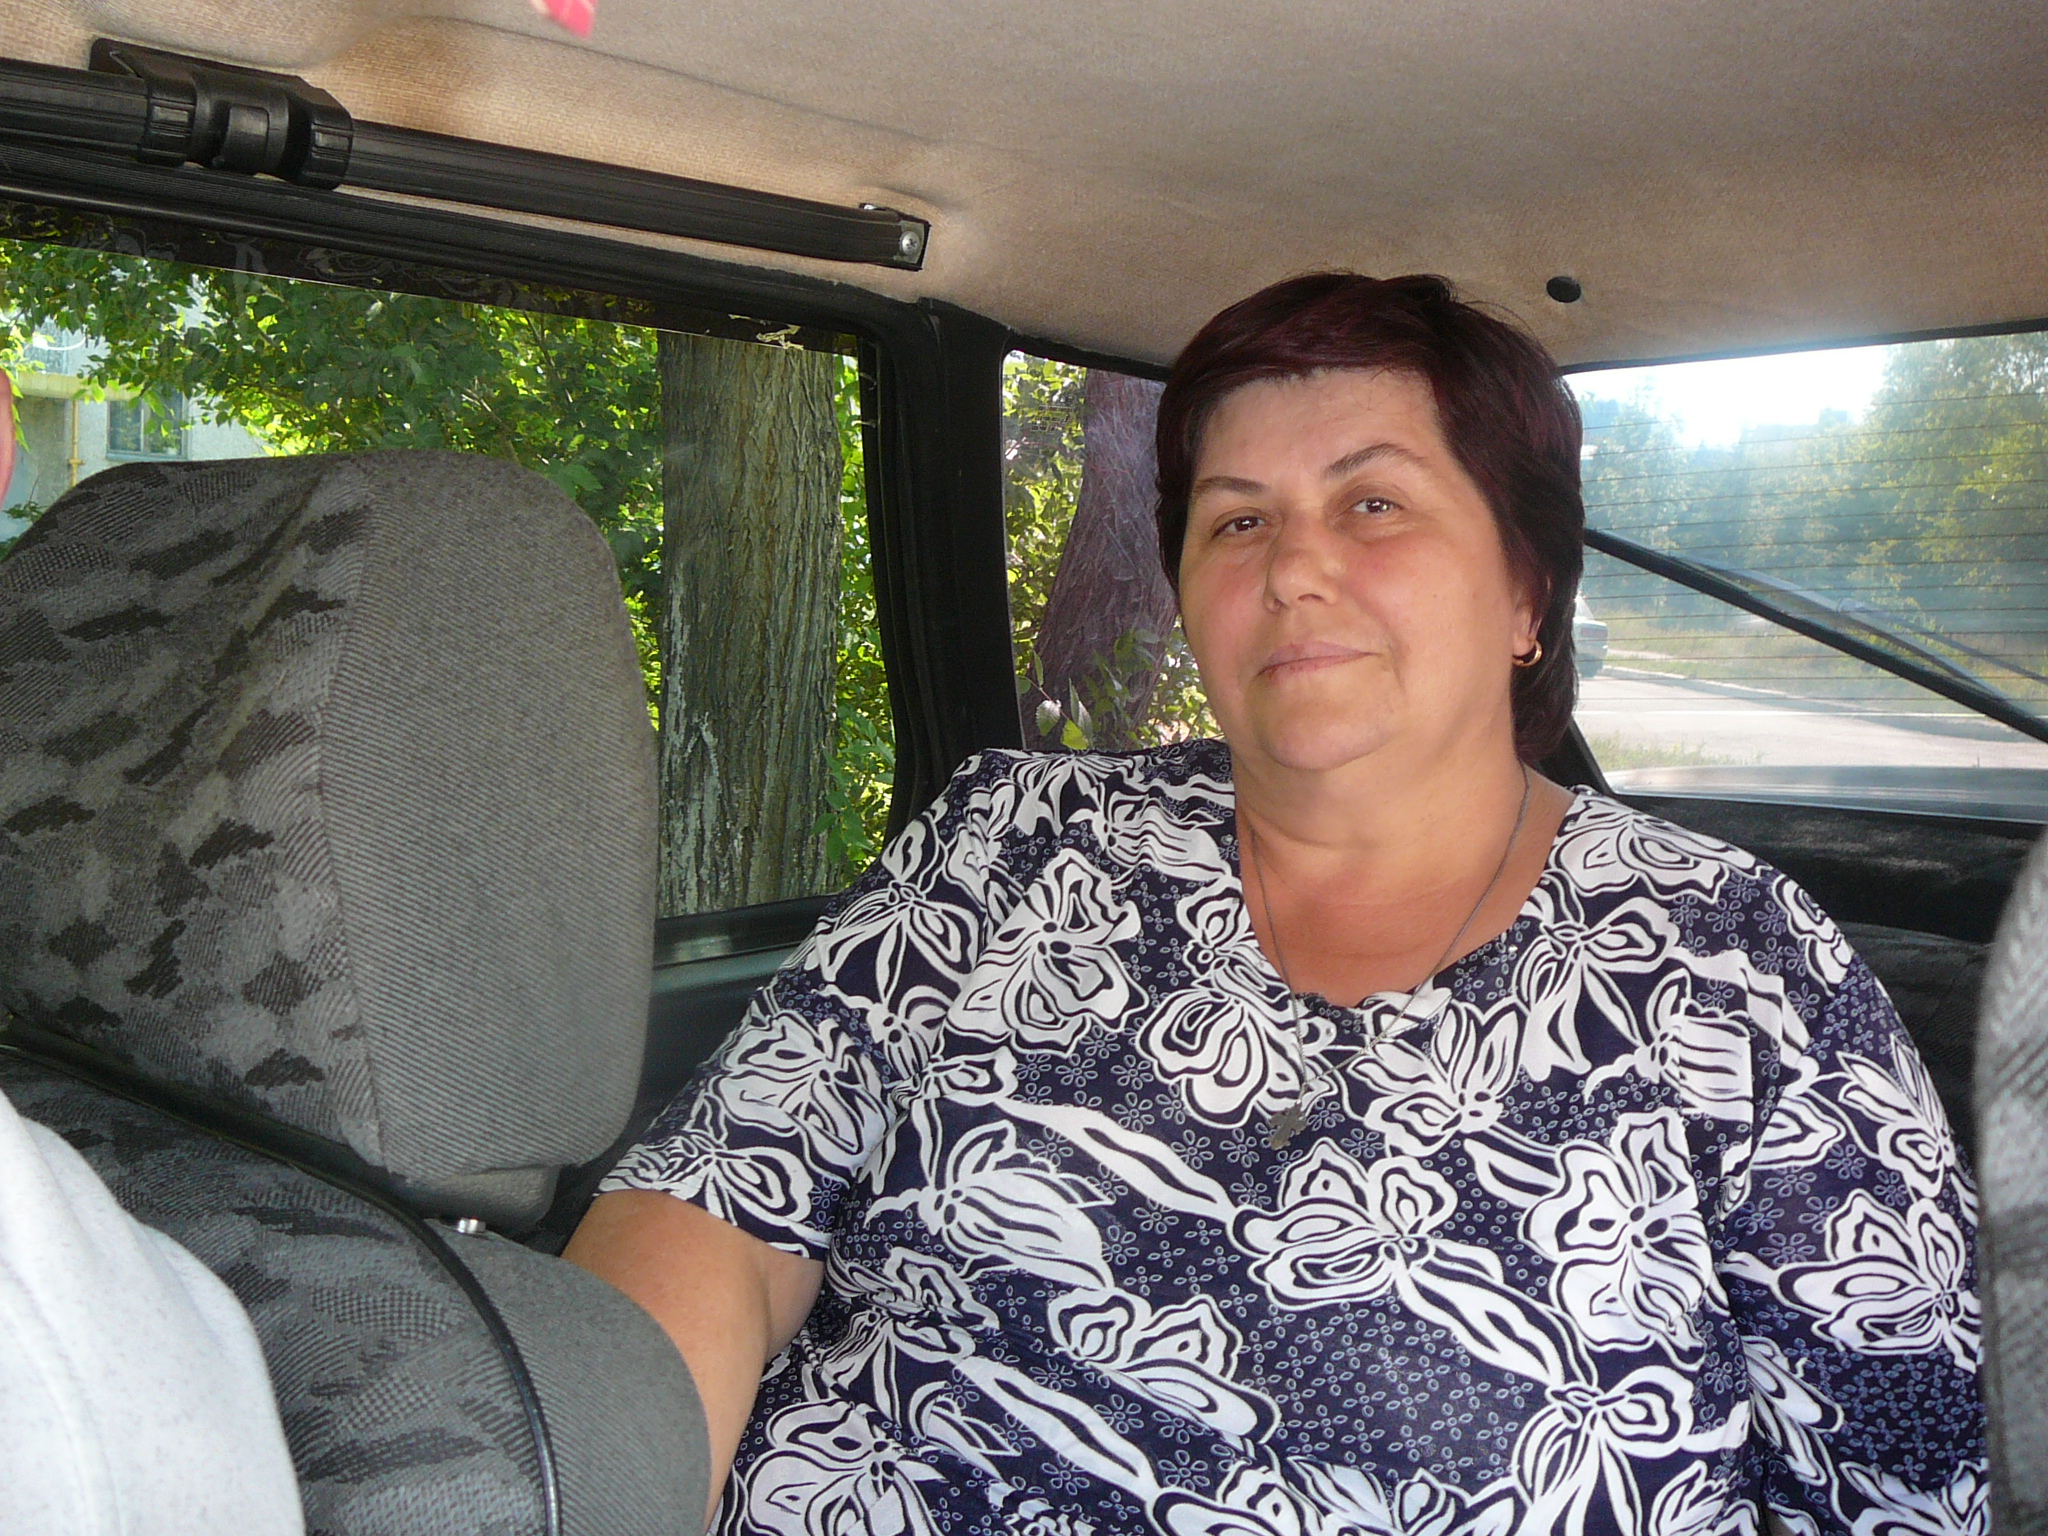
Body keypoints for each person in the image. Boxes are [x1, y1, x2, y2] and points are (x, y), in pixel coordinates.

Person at [567, 273, 1985, 1536]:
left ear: (1526, 592)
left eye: (1374, 503)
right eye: (1236, 519)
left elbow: (1917, 1481)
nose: (1293, 567)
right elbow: (713, 1207)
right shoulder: (1008, 839)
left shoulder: (1739, 967)